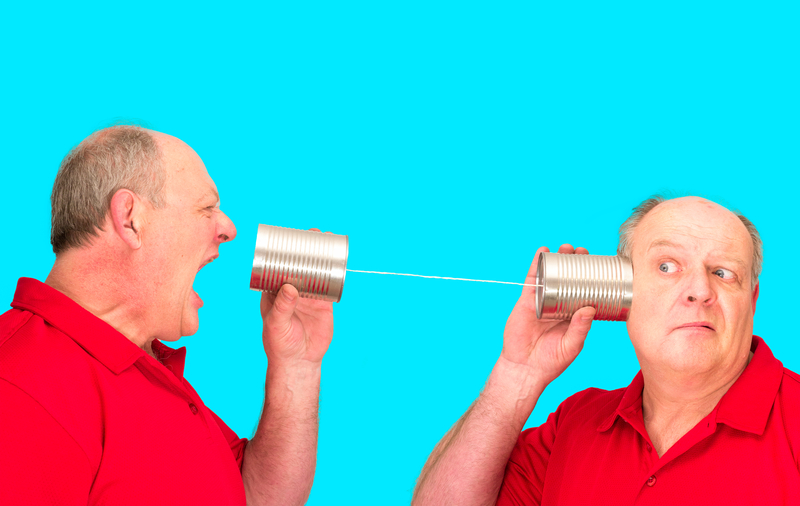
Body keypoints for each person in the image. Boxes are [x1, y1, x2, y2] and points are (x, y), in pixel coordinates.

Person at [0, 125, 333, 506]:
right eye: (207, 208)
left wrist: (297, 364)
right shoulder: (18, 385)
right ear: (129, 219)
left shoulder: (145, 370)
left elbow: (254, 498)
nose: (228, 229)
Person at [413, 195, 800, 505]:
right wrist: (517, 373)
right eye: (667, 266)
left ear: (751, 300)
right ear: (621, 291)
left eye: (723, 273)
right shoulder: (575, 425)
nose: (699, 290)